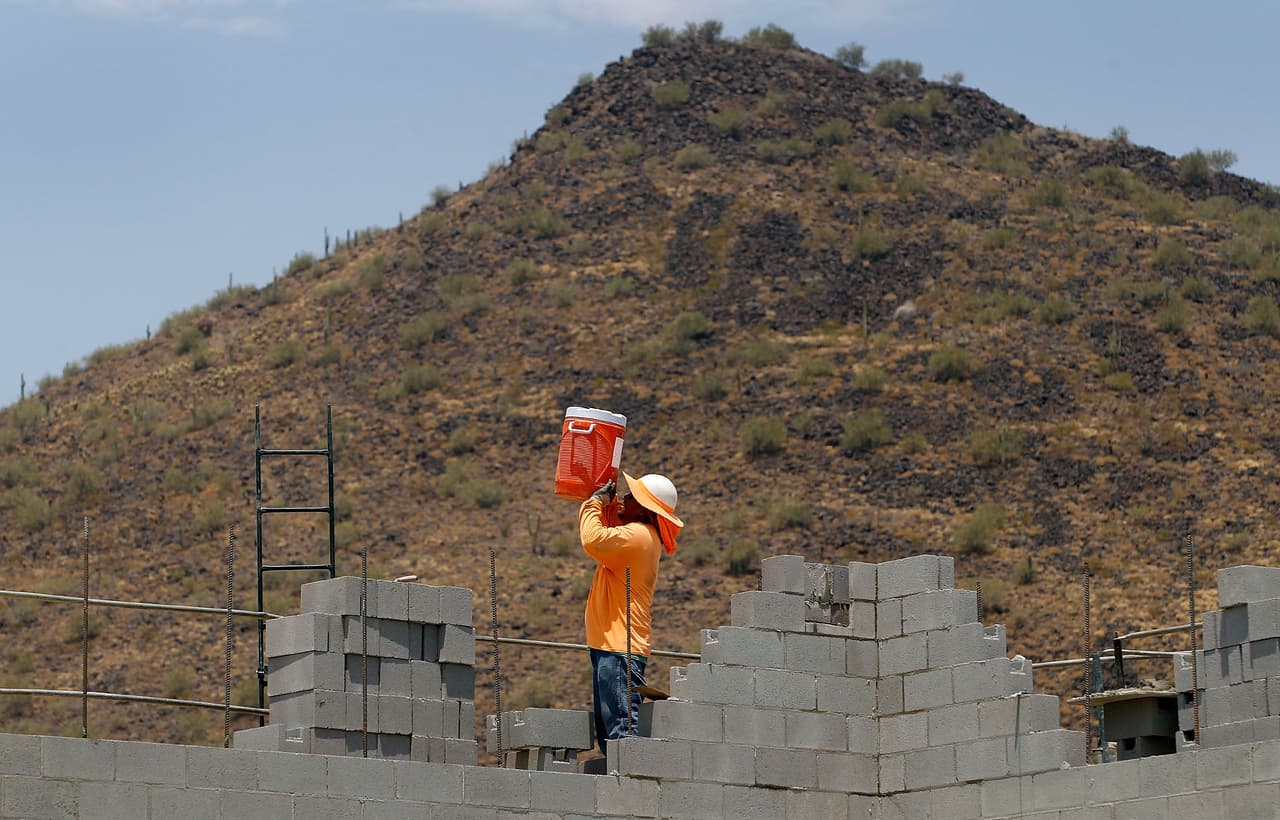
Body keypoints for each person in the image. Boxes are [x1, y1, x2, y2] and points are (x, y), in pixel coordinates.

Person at [578, 471, 682, 754]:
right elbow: (610, 528)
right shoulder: (639, 536)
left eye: (633, 497)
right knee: (611, 739)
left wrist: (594, 503)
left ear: (646, 510)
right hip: (612, 647)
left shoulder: (638, 536)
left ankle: (631, 781)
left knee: (621, 736)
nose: (625, 497)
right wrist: (609, 504)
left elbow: (593, 538)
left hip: (619, 649)